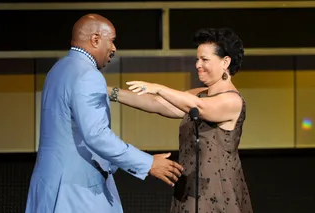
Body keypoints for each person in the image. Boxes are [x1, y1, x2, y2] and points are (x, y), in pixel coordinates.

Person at [25, 14, 183, 213]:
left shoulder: (57, 70)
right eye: (113, 41)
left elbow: (70, 134)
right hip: (77, 192)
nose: (114, 49)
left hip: (48, 188)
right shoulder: (88, 75)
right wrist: (147, 163)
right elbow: (96, 135)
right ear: (95, 39)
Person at [108, 28, 253, 213]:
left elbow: (199, 107)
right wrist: (108, 92)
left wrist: (158, 88)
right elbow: (155, 103)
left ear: (225, 62)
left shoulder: (232, 100)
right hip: (189, 188)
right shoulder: (198, 95)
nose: (198, 65)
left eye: (205, 59)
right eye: (197, 59)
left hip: (216, 191)